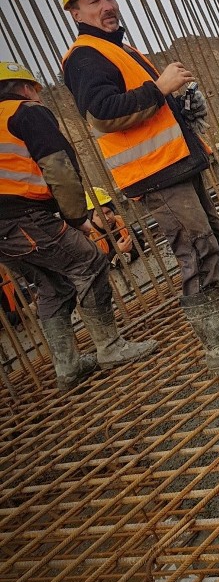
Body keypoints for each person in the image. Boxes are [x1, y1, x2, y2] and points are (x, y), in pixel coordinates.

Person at [59, 0, 219, 372]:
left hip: (176, 163)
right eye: (94, 1)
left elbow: (148, 107)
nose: (107, 6)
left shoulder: (120, 49)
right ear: (75, 14)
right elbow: (102, 112)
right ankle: (218, 346)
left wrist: (175, 101)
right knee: (197, 249)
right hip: (155, 173)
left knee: (214, 239)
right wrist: (159, 87)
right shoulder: (85, 57)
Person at [0, 60, 156, 390]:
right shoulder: (26, 112)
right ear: (27, 88)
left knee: (53, 285)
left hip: (7, 231)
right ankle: (110, 347)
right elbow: (60, 168)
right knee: (90, 261)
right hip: (23, 219)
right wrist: (77, 219)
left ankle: (68, 368)